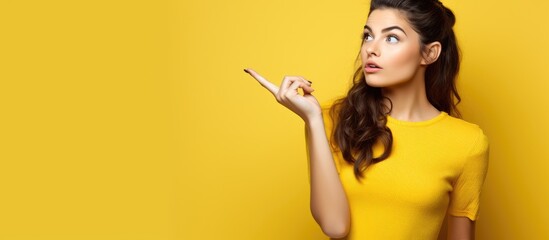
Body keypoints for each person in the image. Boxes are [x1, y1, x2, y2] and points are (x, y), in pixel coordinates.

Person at [244, 0, 489, 239]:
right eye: (368, 36)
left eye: (391, 38)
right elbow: (335, 226)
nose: (371, 48)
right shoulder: (332, 119)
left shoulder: (467, 143)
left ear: (429, 53)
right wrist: (314, 121)